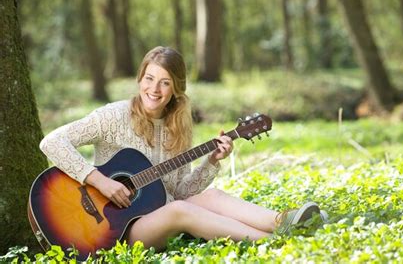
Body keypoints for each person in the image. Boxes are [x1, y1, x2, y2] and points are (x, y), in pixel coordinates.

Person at [39, 46, 327, 251]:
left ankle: (282, 221)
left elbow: (181, 192)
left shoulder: (178, 128)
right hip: (114, 230)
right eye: (149, 79)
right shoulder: (114, 116)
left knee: (209, 196)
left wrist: (212, 162)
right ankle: (272, 243)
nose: (155, 89)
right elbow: (51, 141)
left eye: (165, 83)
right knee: (178, 211)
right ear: (140, 79)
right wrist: (100, 181)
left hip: (155, 215)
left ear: (176, 89)